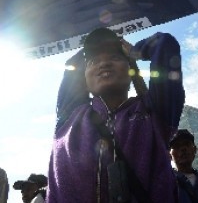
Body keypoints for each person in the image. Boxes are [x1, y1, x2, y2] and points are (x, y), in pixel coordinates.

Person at [47, 27, 185, 202]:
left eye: (115, 57)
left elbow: (165, 44)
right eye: (93, 61)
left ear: (131, 71)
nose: (104, 63)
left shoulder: (154, 111)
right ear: (83, 79)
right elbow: (71, 67)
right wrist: (91, 48)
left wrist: (135, 51)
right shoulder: (70, 116)